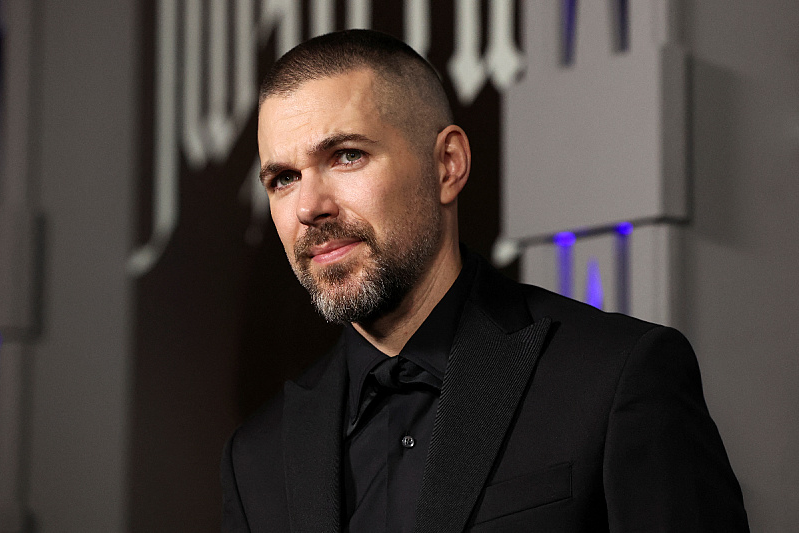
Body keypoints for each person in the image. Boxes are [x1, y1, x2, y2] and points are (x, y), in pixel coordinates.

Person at [221, 29, 749, 532]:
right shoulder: (259, 457)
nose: (309, 206)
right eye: (283, 179)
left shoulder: (616, 379)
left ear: (448, 165)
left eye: (346, 156)